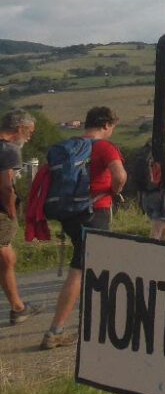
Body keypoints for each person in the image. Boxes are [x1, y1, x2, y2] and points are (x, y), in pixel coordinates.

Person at [41, 106, 125, 350]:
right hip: (94, 213)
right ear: (106, 125)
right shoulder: (105, 147)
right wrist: (114, 191)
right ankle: (54, 331)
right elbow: (120, 176)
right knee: (80, 268)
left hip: (70, 214)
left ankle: (97, 320)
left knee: (94, 266)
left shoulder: (70, 146)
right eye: (113, 127)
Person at [1, 109, 39, 325]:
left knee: (6, 257)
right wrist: (12, 213)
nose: (30, 136)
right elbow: (6, 187)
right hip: (1, 212)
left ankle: (18, 307)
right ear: (19, 128)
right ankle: (18, 308)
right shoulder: (9, 150)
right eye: (29, 132)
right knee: (5, 256)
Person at [134, 141, 165, 242]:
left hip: (146, 195)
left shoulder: (145, 150)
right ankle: (150, 254)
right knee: (156, 233)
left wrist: (139, 197)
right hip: (161, 193)